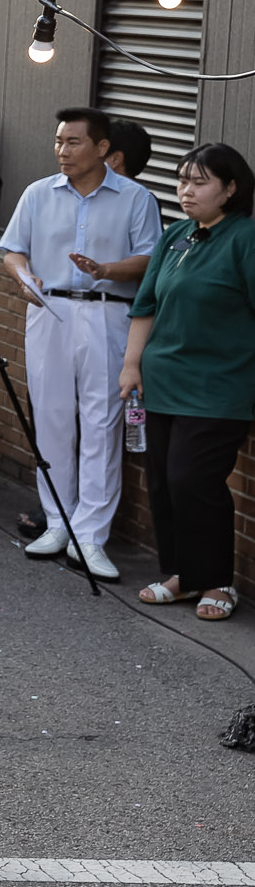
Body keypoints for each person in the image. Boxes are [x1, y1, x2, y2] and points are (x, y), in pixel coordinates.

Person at [0, 108, 164, 578]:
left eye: (73, 142)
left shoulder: (135, 198)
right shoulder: (38, 193)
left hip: (108, 313)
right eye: (59, 142)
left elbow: (151, 258)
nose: (62, 151)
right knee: (50, 418)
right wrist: (23, 277)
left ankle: (91, 535)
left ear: (103, 148)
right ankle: (58, 521)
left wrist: (106, 269)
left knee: (101, 422)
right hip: (48, 310)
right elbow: (12, 250)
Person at [125, 143, 255, 620]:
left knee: (193, 480)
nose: (186, 190)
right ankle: (182, 575)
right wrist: (131, 365)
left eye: (199, 182)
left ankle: (218, 580)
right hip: (162, 380)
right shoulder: (176, 234)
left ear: (231, 188)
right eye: (182, 180)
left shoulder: (245, 238)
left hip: (219, 387)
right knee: (162, 482)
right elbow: (145, 306)